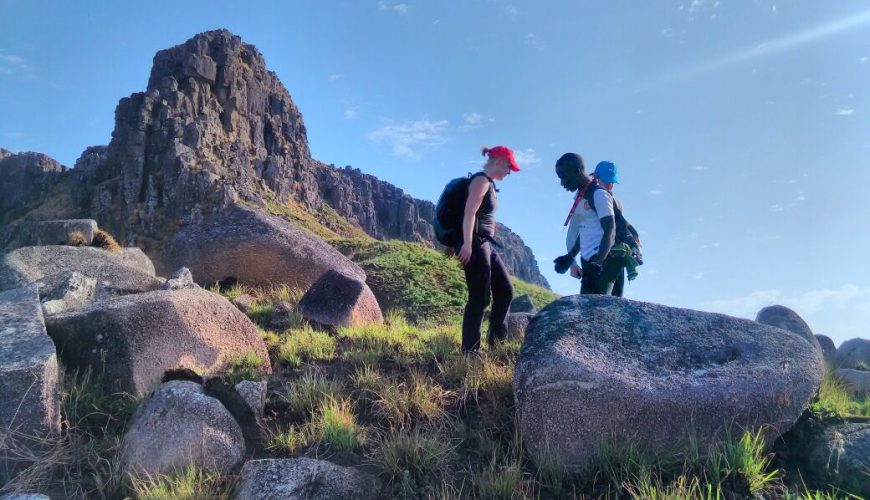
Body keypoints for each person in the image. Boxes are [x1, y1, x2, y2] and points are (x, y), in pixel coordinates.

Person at [456, 145, 519, 353]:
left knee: (505, 290)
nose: (509, 172)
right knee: (479, 295)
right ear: (499, 161)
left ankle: (496, 344)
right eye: (509, 167)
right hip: (475, 243)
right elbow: (469, 213)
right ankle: (470, 350)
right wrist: (466, 243)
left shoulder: (489, 183)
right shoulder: (481, 181)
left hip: (485, 244)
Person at [553, 153, 622, 295]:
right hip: (591, 263)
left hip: (605, 262)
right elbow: (585, 231)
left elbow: (610, 229)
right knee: (588, 311)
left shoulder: (599, 194)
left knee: (598, 311)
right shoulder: (581, 197)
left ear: (577, 171)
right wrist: (570, 257)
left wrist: (599, 262)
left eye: (564, 177)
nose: (562, 183)